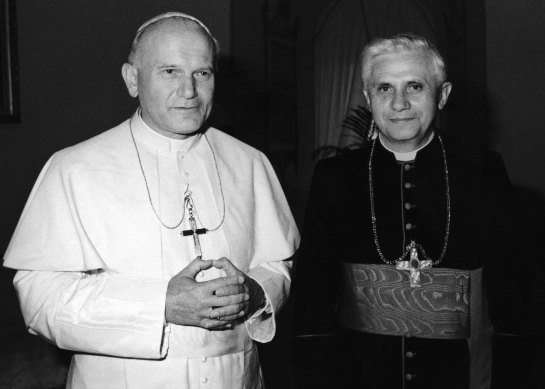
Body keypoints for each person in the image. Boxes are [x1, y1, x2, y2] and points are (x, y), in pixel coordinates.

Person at [4, 12, 299, 389]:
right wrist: (161, 304)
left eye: (202, 73)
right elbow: (40, 300)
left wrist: (256, 293)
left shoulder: (250, 162)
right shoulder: (73, 168)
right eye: (170, 71)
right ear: (132, 79)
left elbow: (277, 263)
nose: (189, 91)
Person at [293, 33, 512, 389]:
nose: (399, 104)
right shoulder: (335, 176)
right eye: (384, 89)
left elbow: (510, 291)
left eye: (414, 86)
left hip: (457, 373)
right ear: (367, 97)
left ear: (442, 95)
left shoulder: (483, 173)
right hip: (359, 371)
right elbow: (314, 297)